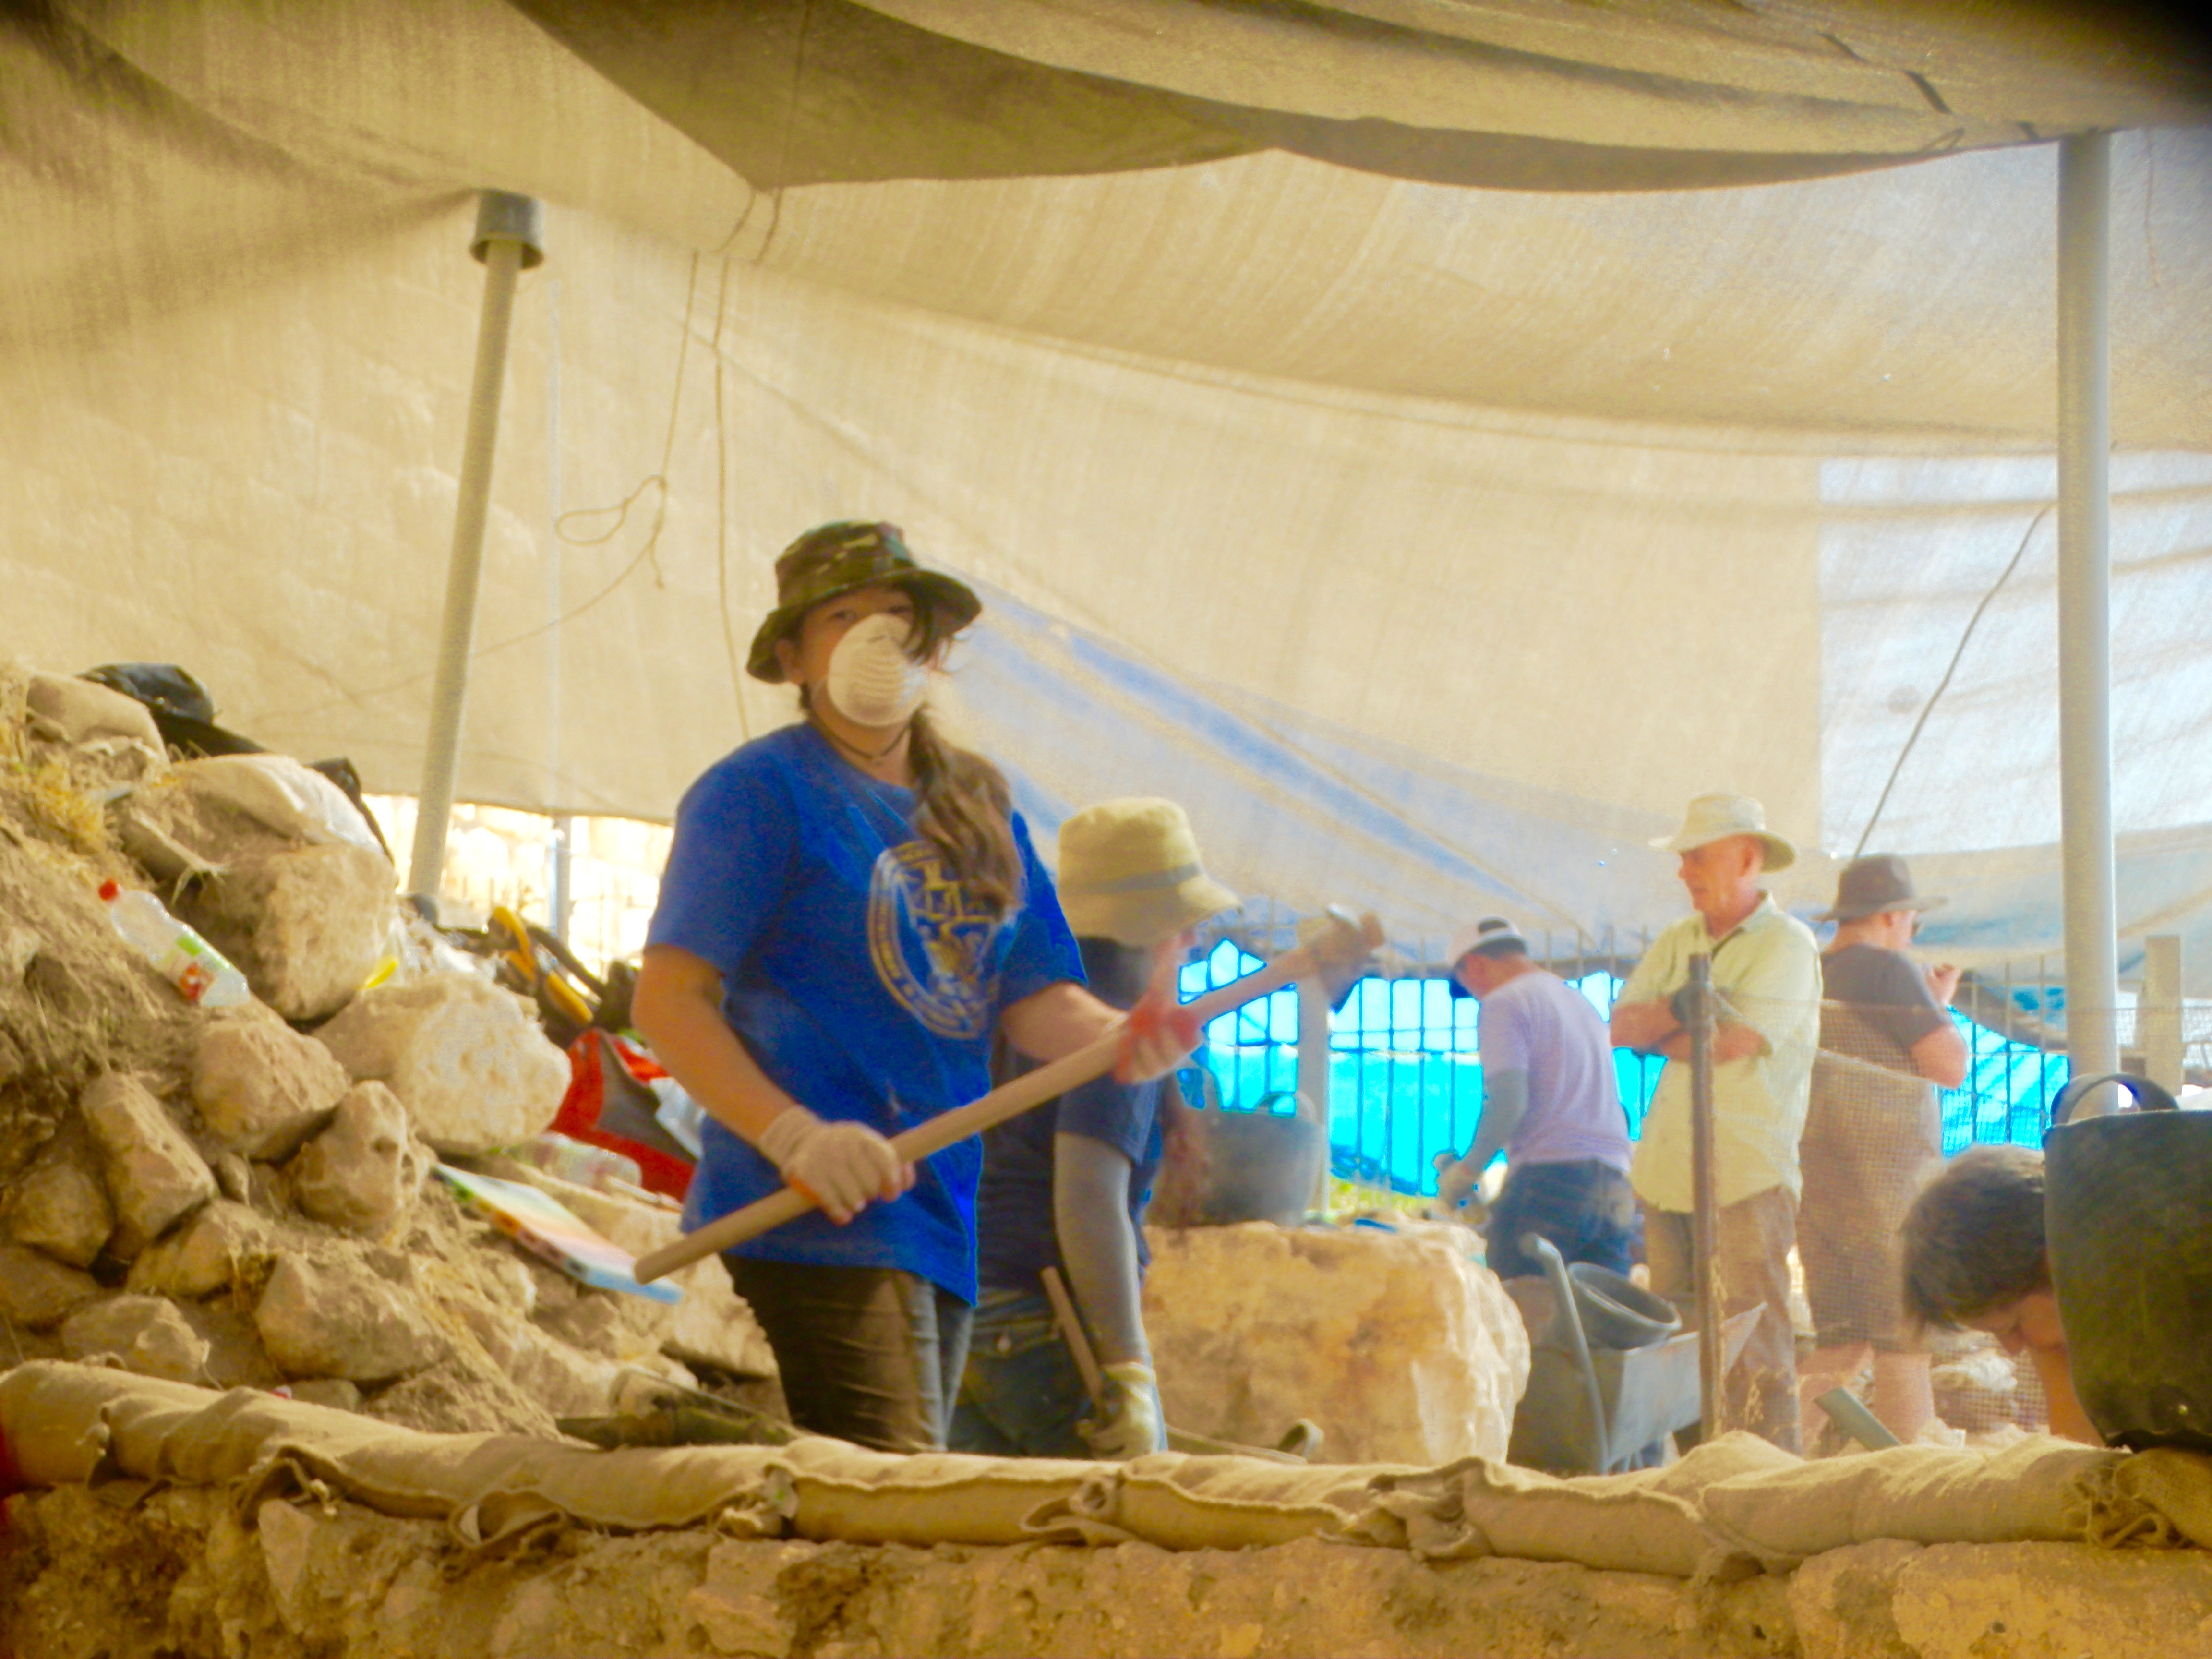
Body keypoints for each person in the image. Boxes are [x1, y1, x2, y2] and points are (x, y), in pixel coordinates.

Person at [632, 521, 1196, 1454]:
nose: (876, 636)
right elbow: (668, 1001)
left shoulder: (974, 802)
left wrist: (1119, 1036)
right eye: (842, 616)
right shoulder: (757, 794)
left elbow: (1035, 999)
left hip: (937, 1206)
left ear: (932, 647)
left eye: (897, 613)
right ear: (793, 657)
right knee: (894, 1491)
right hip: (813, 1207)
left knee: (902, 1492)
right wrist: (796, 1136)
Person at [952, 798, 1237, 1460]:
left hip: (966, 1311)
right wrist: (1129, 1369)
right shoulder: (1116, 1027)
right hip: (1039, 1317)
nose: (1194, 943)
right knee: (1126, 1511)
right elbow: (1087, 1198)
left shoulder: (1030, 1002)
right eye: (1187, 926)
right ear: (1157, 928)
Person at [1608, 793, 1821, 1452]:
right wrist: (1686, 1013)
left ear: (1747, 859)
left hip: (1745, 1174)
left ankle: (1765, 1478)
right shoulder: (1680, 939)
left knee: (1751, 1339)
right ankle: (1699, 1472)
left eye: (1697, 857)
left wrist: (1665, 1026)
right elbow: (1622, 1027)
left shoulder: (1787, 944)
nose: (1684, 872)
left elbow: (1733, 1041)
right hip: (1667, 1170)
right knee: (1678, 1338)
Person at [1796, 854, 1969, 1446]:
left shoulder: (1814, 973)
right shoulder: (1889, 969)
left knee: (1844, 1341)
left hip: (1823, 1180)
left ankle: (1766, 1451)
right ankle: (1911, 1474)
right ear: (1894, 916)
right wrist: (1936, 1004)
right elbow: (1949, 1066)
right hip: (1886, 1185)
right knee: (1904, 1340)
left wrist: (1927, 999)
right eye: (1912, 919)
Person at [1430, 916, 1637, 1280]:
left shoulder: (1504, 1003)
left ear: (1475, 966)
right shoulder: (1579, 1003)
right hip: (1614, 1185)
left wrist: (1466, 1172)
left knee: (1522, 1306)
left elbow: (1509, 1102)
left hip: (1551, 1182)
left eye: (1468, 987)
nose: (1475, 996)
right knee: (1599, 1311)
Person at [1898, 1143, 2099, 1444]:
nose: (2013, 1348)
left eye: (2012, 1327)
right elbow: (2080, 1447)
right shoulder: (2052, 1317)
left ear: (2054, 1263)